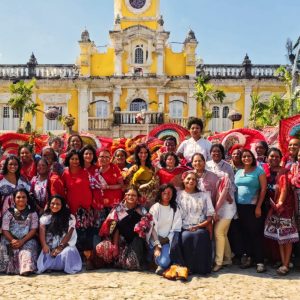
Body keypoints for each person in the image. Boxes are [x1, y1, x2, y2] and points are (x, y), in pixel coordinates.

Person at [170, 171, 214, 276]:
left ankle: (201, 269)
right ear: (183, 180)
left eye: (194, 179)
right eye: (188, 179)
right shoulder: (177, 195)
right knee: (186, 236)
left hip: (200, 226)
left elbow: (210, 216)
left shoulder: (204, 195)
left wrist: (199, 226)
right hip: (183, 227)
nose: (191, 181)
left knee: (201, 235)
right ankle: (187, 268)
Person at [96, 188, 152, 270]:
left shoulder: (141, 210)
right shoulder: (118, 209)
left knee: (131, 265)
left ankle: (125, 261)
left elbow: (147, 225)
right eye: (128, 195)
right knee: (101, 247)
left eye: (133, 195)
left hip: (135, 242)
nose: (130, 197)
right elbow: (115, 229)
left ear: (137, 198)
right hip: (120, 241)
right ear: (125, 196)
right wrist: (115, 246)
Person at [264, 155, 299, 275]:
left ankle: (285, 264)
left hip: (285, 210)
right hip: (277, 210)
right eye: (271, 156)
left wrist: (279, 203)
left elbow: (284, 190)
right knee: (281, 238)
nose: (273, 159)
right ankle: (284, 262)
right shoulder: (271, 172)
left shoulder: (284, 173)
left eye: (278, 157)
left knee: (287, 239)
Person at [234, 149, 267, 273]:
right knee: (245, 234)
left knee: (256, 234)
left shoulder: (259, 171)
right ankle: (249, 259)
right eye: (244, 157)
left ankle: (260, 261)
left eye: (248, 156)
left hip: (253, 207)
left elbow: (263, 189)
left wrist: (258, 206)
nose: (246, 158)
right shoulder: (238, 172)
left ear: (252, 158)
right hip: (240, 207)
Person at [206, 144, 236, 272]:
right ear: (210, 153)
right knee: (223, 233)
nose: (216, 153)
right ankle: (228, 258)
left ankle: (218, 262)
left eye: (218, 151)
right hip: (213, 202)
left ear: (222, 153)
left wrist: (228, 195)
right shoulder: (206, 165)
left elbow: (233, 184)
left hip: (227, 204)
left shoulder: (228, 166)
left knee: (218, 232)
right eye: (213, 151)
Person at [37, 195, 82, 274]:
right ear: (49, 204)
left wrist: (60, 247)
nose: (55, 206)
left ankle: (62, 266)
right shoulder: (45, 218)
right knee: (46, 255)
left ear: (62, 205)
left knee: (69, 251)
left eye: (58, 204)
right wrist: (44, 245)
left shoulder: (70, 218)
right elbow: (42, 233)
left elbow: (69, 234)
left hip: (63, 246)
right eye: (52, 203)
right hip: (49, 247)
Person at [59, 150, 93, 253]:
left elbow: (92, 187)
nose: (75, 161)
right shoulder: (64, 173)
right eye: (72, 159)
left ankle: (88, 257)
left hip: (86, 207)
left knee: (87, 233)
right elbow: (62, 189)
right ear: (68, 160)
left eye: (77, 159)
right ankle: (77, 255)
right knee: (74, 232)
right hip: (72, 207)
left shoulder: (85, 171)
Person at [0, 188, 38, 275]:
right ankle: (9, 269)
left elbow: (33, 230)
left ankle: (25, 269)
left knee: (29, 248)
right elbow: (5, 229)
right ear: (14, 199)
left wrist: (22, 241)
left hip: (27, 239)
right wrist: (12, 240)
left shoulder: (32, 213)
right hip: (10, 239)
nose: (21, 199)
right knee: (3, 244)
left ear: (27, 199)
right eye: (18, 197)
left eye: (23, 197)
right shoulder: (9, 212)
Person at [149, 184, 182, 275]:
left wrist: (166, 240)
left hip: (167, 241)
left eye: (169, 193)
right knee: (151, 256)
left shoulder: (175, 208)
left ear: (173, 195)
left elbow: (176, 227)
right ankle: (153, 259)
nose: (167, 196)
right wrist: (157, 245)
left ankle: (159, 264)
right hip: (154, 241)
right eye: (164, 193)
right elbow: (151, 227)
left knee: (164, 262)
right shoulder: (155, 207)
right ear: (160, 194)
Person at [125, 144, 159, 209]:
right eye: (141, 152)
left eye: (145, 152)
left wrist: (150, 195)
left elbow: (156, 182)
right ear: (137, 154)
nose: (143, 155)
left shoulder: (152, 168)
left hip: (150, 199)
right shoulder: (134, 168)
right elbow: (128, 184)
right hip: (136, 199)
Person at [0, 156, 30, 225]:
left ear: (18, 165)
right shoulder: (1, 178)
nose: (13, 166)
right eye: (10, 164)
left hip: (22, 215)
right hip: (3, 215)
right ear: (6, 165)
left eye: (15, 164)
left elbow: (29, 194)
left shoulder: (23, 179)